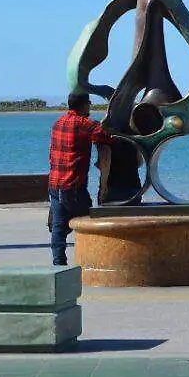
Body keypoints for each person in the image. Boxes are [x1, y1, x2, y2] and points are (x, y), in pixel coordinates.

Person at [47, 93, 113, 266]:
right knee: (89, 223)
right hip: (73, 185)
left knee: (59, 228)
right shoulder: (85, 124)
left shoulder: (57, 123)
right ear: (84, 105)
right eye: (89, 104)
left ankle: (58, 265)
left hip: (55, 184)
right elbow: (107, 137)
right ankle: (93, 262)